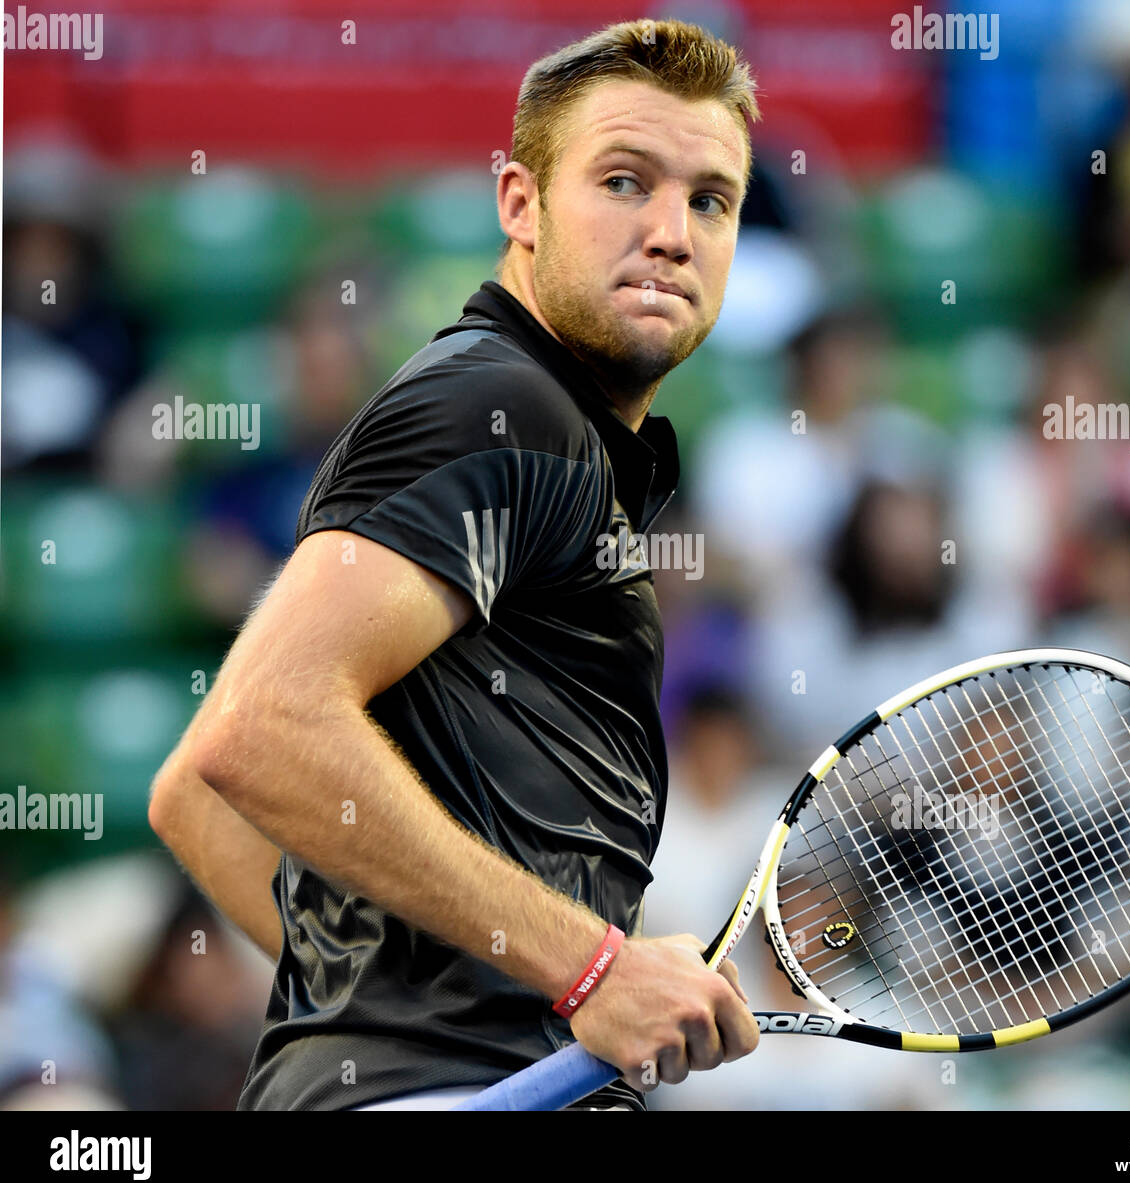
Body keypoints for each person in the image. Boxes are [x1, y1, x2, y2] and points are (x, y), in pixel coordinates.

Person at [148, 19, 762, 1111]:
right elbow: (262, 728)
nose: (672, 231)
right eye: (625, 182)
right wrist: (590, 970)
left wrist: (388, 998)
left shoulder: (537, 422)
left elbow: (194, 788)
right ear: (518, 206)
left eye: (710, 200)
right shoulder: (501, 406)